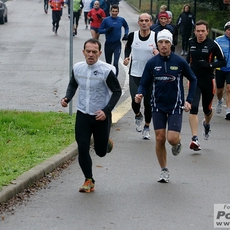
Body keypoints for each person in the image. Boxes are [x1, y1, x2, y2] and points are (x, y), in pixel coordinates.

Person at [135, 29, 197, 183]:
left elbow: (193, 79)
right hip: (157, 105)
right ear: (157, 44)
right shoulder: (152, 63)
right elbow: (144, 83)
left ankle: (177, 143)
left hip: (176, 105)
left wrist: (189, 100)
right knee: (160, 138)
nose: (163, 45)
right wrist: (139, 93)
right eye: (161, 42)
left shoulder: (179, 62)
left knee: (172, 138)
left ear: (171, 44)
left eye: (166, 42)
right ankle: (164, 170)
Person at [61, 38, 122, 193]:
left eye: (94, 52)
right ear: (83, 52)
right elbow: (73, 84)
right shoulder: (77, 68)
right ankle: (89, 179)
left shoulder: (106, 70)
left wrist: (106, 111)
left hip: (100, 116)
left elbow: (117, 91)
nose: (91, 54)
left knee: (100, 152)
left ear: (100, 53)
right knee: (82, 147)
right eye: (88, 51)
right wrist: (67, 98)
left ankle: (106, 142)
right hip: (83, 114)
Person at [186, 20, 226, 151]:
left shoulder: (213, 45)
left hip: (208, 81)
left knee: (207, 109)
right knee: (194, 107)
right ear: (194, 31)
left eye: (203, 31)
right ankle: (195, 139)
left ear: (207, 31)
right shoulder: (191, 42)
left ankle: (207, 124)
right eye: (198, 31)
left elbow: (222, 61)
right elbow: (188, 60)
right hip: (194, 80)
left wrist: (209, 65)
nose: (200, 33)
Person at [123, 13, 157, 139]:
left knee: (148, 104)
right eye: (141, 20)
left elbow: (164, 52)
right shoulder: (133, 36)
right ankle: (138, 114)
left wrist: (158, 53)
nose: (144, 23)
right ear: (138, 22)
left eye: (146, 20)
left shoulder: (155, 36)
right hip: (135, 73)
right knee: (135, 100)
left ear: (151, 23)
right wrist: (127, 57)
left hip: (150, 76)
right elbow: (127, 48)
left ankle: (147, 127)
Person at [98, 4, 129, 77]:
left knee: (115, 63)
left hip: (117, 44)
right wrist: (107, 30)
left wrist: (126, 34)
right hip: (108, 44)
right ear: (110, 11)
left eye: (116, 11)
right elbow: (100, 30)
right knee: (108, 63)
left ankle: (115, 78)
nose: (114, 13)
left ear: (118, 12)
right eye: (113, 11)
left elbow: (126, 27)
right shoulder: (106, 20)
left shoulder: (121, 20)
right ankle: (108, 77)